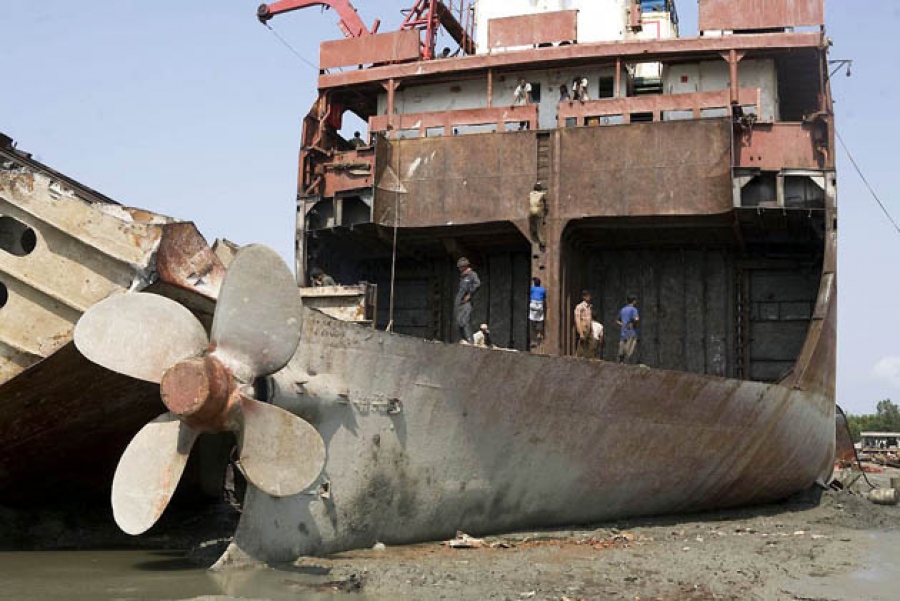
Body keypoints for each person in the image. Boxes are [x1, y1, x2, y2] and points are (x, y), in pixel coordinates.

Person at [455, 257, 481, 343]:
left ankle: (470, 342)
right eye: (459, 267)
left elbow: (477, 284)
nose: (459, 269)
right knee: (459, 322)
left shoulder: (472, 275)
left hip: (467, 302)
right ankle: (464, 341)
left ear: (466, 266)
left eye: (461, 267)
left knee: (465, 321)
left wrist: (469, 295)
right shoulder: (462, 276)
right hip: (460, 302)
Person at [616, 296, 640, 363]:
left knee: (621, 351)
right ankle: (625, 365)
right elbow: (637, 319)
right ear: (634, 301)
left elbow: (617, 321)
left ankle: (620, 363)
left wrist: (623, 325)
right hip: (631, 332)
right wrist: (632, 323)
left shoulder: (622, 309)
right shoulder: (634, 309)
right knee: (628, 352)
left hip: (623, 332)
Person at [574, 290, 594, 359]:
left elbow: (590, 318)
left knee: (591, 345)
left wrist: (591, 328)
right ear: (584, 297)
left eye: (590, 296)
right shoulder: (580, 307)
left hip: (589, 328)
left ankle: (589, 359)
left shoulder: (589, 307)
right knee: (581, 346)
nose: (589, 297)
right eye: (588, 296)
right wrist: (580, 333)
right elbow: (577, 320)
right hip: (583, 327)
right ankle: (578, 359)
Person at [528, 183, 547, 249]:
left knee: (532, 228)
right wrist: (545, 216)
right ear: (540, 189)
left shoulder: (530, 194)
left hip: (531, 213)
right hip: (539, 213)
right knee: (540, 229)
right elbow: (546, 206)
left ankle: (535, 239)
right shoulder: (542, 195)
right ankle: (542, 244)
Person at [529, 277, 547, 348]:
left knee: (532, 320)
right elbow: (544, 297)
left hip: (533, 305)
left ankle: (533, 340)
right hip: (539, 305)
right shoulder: (543, 290)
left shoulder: (532, 288)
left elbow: (530, 292)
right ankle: (539, 334)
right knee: (540, 319)